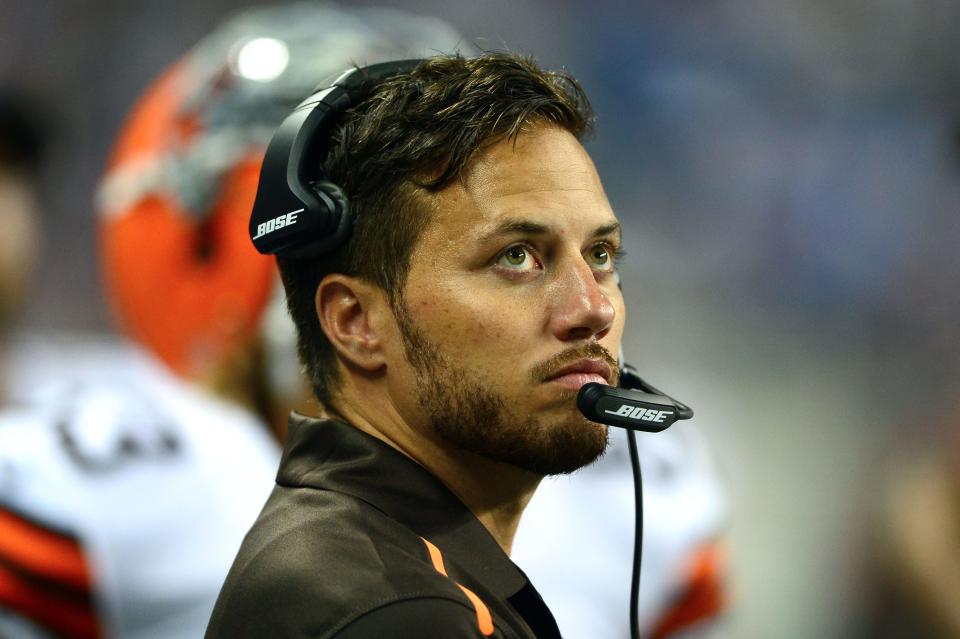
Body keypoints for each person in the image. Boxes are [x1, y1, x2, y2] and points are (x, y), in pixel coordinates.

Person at [204, 50, 647, 638]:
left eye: (600, 256)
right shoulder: (395, 611)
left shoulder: (386, 565)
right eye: (517, 257)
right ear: (355, 321)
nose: (593, 308)